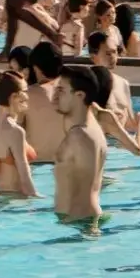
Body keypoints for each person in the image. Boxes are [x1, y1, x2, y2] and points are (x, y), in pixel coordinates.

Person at [51, 64, 109, 222]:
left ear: (79, 95)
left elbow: (81, 195)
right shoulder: (92, 127)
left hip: (77, 222)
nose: (54, 95)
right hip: (84, 219)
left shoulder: (79, 136)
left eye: (61, 90)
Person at [0, 69, 37, 197]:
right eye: (25, 92)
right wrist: (35, 198)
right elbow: (24, 173)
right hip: (14, 197)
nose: (28, 96)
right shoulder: (15, 131)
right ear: (14, 97)